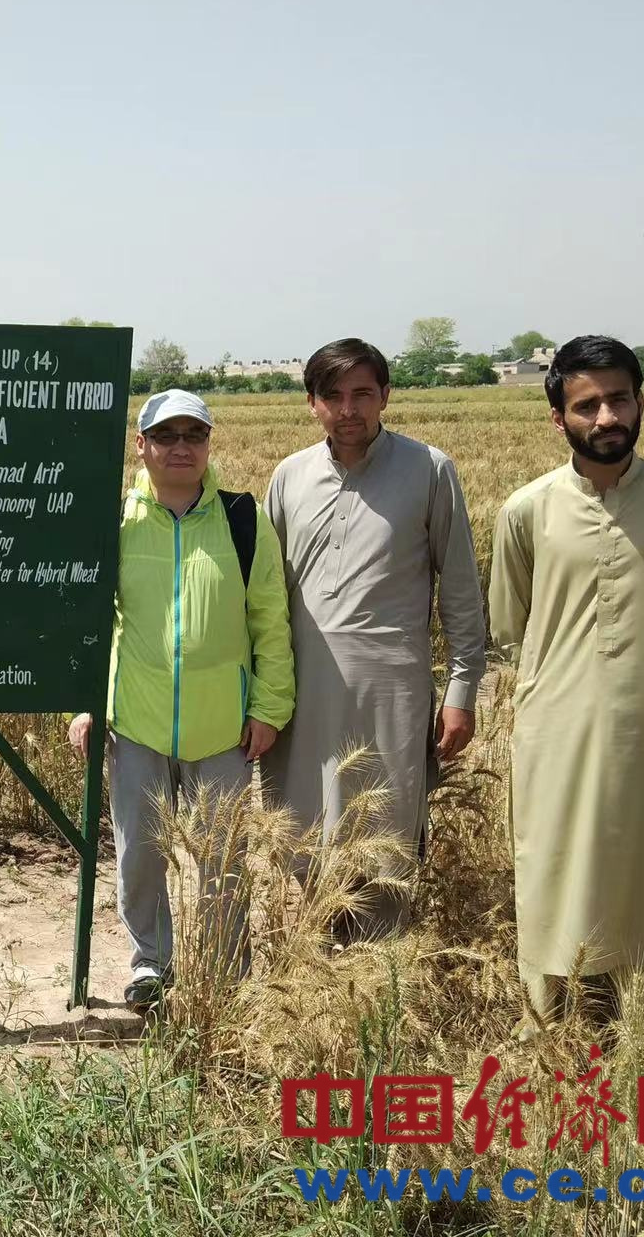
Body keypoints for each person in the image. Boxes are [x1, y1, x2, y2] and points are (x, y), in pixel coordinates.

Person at [489, 335, 644, 1023]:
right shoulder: (526, 510)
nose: (606, 417)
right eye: (586, 404)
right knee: (557, 861)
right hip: (557, 725)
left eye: (618, 399)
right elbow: (514, 623)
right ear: (558, 418)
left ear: (641, 402)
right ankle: (555, 1020)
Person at [67, 390, 294, 1011]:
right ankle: (152, 966)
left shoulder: (243, 520)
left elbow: (269, 618)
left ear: (209, 444)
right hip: (135, 721)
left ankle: (227, 972)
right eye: (165, 436)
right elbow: (91, 621)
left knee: (225, 859)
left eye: (193, 435)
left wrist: (269, 707)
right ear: (140, 445)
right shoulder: (112, 521)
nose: (180, 447)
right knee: (140, 853)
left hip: (222, 725)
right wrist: (88, 705)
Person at [262, 338, 486, 942]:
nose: (349, 408)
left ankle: (382, 973)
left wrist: (462, 689)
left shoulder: (429, 470)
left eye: (363, 393)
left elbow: (461, 592)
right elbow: (264, 596)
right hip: (302, 691)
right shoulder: (289, 476)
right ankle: (316, 963)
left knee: (384, 836)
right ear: (312, 404)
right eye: (332, 395)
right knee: (304, 829)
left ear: (386, 395)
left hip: (393, 691)